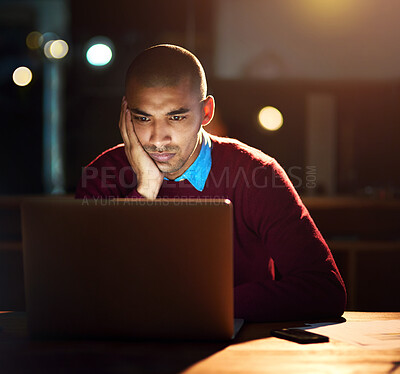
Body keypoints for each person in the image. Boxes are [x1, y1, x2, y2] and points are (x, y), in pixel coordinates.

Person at [76, 44, 346, 322]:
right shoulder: (103, 174)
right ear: (126, 114)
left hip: (232, 353)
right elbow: (81, 289)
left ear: (206, 112)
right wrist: (144, 190)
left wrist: (195, 308)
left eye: (176, 117)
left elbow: (324, 289)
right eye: (143, 118)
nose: (158, 139)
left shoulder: (258, 174)